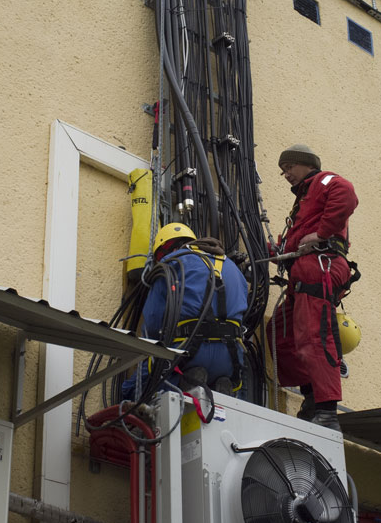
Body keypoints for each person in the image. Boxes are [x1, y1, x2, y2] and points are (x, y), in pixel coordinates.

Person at [266, 144, 358, 431]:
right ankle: (312, 396)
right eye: (282, 171)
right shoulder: (304, 201)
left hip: (320, 266)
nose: (286, 174)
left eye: (289, 167)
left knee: (314, 336)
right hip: (303, 272)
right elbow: (290, 247)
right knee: (280, 332)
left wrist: (321, 233)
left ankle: (327, 410)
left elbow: (347, 193)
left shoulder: (324, 181)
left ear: (306, 164)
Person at [139, 222, 249, 395]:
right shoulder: (235, 270)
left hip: (188, 352)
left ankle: (189, 380)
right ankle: (219, 385)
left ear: (170, 249)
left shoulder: (172, 262)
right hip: (230, 357)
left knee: (137, 384)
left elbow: (153, 320)